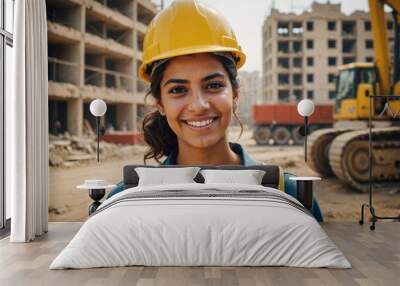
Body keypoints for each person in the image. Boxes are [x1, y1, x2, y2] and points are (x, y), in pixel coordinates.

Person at [107, 0, 323, 222]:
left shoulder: (292, 195)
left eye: (213, 85)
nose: (199, 105)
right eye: (178, 89)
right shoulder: (124, 200)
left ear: (235, 95)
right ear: (159, 103)